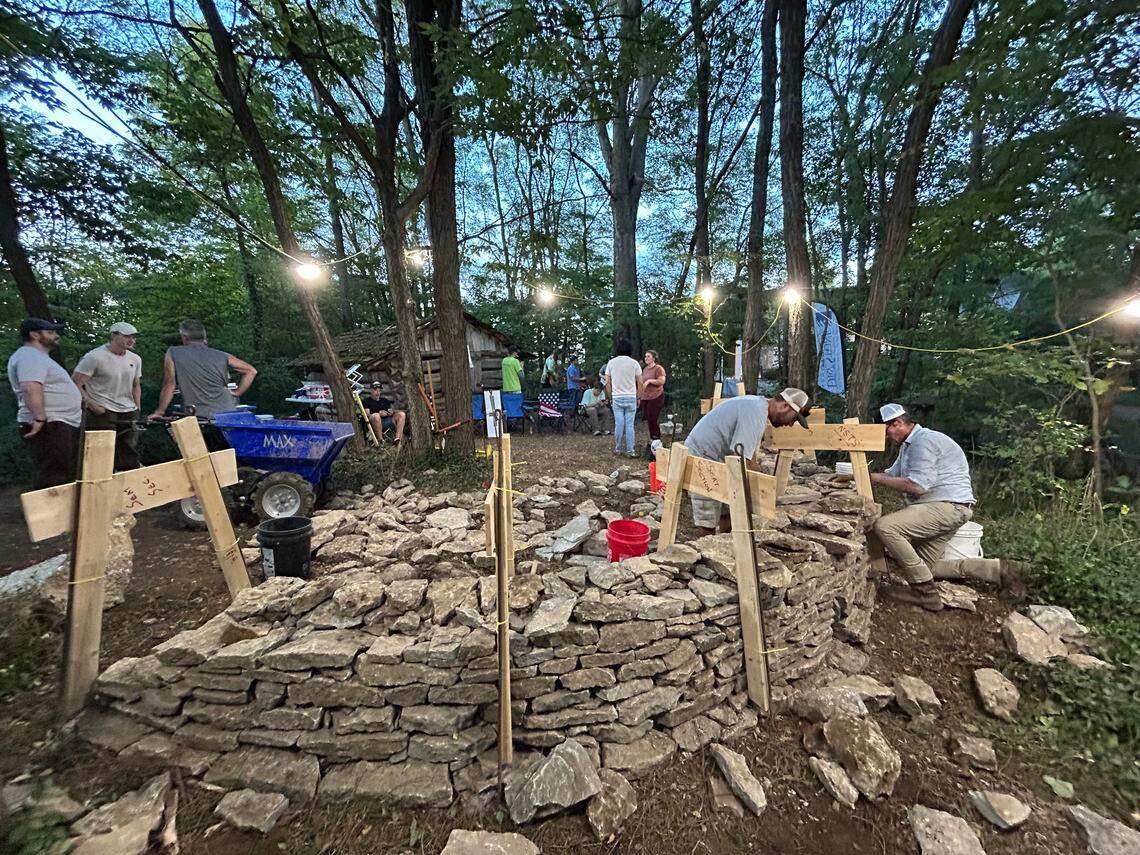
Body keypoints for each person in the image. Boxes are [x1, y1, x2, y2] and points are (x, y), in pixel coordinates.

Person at [854, 403, 991, 611]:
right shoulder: (910, 444)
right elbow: (891, 475)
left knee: (886, 526)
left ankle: (926, 593)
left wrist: (875, 478)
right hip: (953, 508)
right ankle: (1002, 571)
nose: (887, 437)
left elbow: (917, 486)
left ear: (897, 423)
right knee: (925, 567)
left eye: (886, 431)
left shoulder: (924, 442)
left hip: (947, 507)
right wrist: (855, 476)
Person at [684, 388, 811, 533]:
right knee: (708, 516)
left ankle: (727, 542)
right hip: (702, 455)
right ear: (785, 406)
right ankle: (706, 545)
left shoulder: (757, 406)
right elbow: (741, 457)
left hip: (714, 454)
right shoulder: (755, 412)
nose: (790, 424)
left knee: (729, 509)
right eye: (793, 419)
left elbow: (749, 452)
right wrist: (762, 490)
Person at [7, 318, 82, 488]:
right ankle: (51, 506)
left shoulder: (38, 357)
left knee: (60, 473)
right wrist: (39, 418)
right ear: (34, 335)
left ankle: (58, 505)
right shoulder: (29, 356)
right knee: (52, 476)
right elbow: (30, 387)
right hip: (49, 424)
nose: (56, 335)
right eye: (50, 332)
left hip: (57, 423)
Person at [150, 319, 257, 420]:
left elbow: (169, 384)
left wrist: (159, 412)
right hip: (227, 411)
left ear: (184, 337)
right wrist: (237, 393)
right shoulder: (222, 355)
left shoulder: (173, 352)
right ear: (204, 337)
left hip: (199, 414)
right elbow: (251, 371)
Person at [72, 321, 142, 471]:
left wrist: (137, 406)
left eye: (133, 337)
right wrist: (92, 405)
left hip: (128, 410)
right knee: (101, 452)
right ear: (113, 336)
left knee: (129, 451)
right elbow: (76, 383)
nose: (131, 340)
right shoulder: (94, 357)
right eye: (126, 336)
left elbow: (136, 384)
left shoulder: (135, 359)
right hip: (102, 410)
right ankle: (98, 481)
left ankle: (130, 480)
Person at [605, 340, 643, 457]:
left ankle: (618, 449)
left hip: (617, 397)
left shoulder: (611, 363)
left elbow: (607, 382)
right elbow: (640, 382)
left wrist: (610, 397)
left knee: (619, 424)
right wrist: (638, 397)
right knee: (630, 425)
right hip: (631, 397)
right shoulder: (634, 363)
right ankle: (630, 451)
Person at [640, 350, 667, 443]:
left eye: (648, 356)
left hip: (656, 397)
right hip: (645, 398)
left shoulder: (658, 368)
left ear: (654, 358)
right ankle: (653, 439)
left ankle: (657, 439)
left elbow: (662, 381)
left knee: (653, 419)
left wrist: (650, 381)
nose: (646, 358)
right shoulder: (645, 369)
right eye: (645, 356)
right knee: (649, 419)